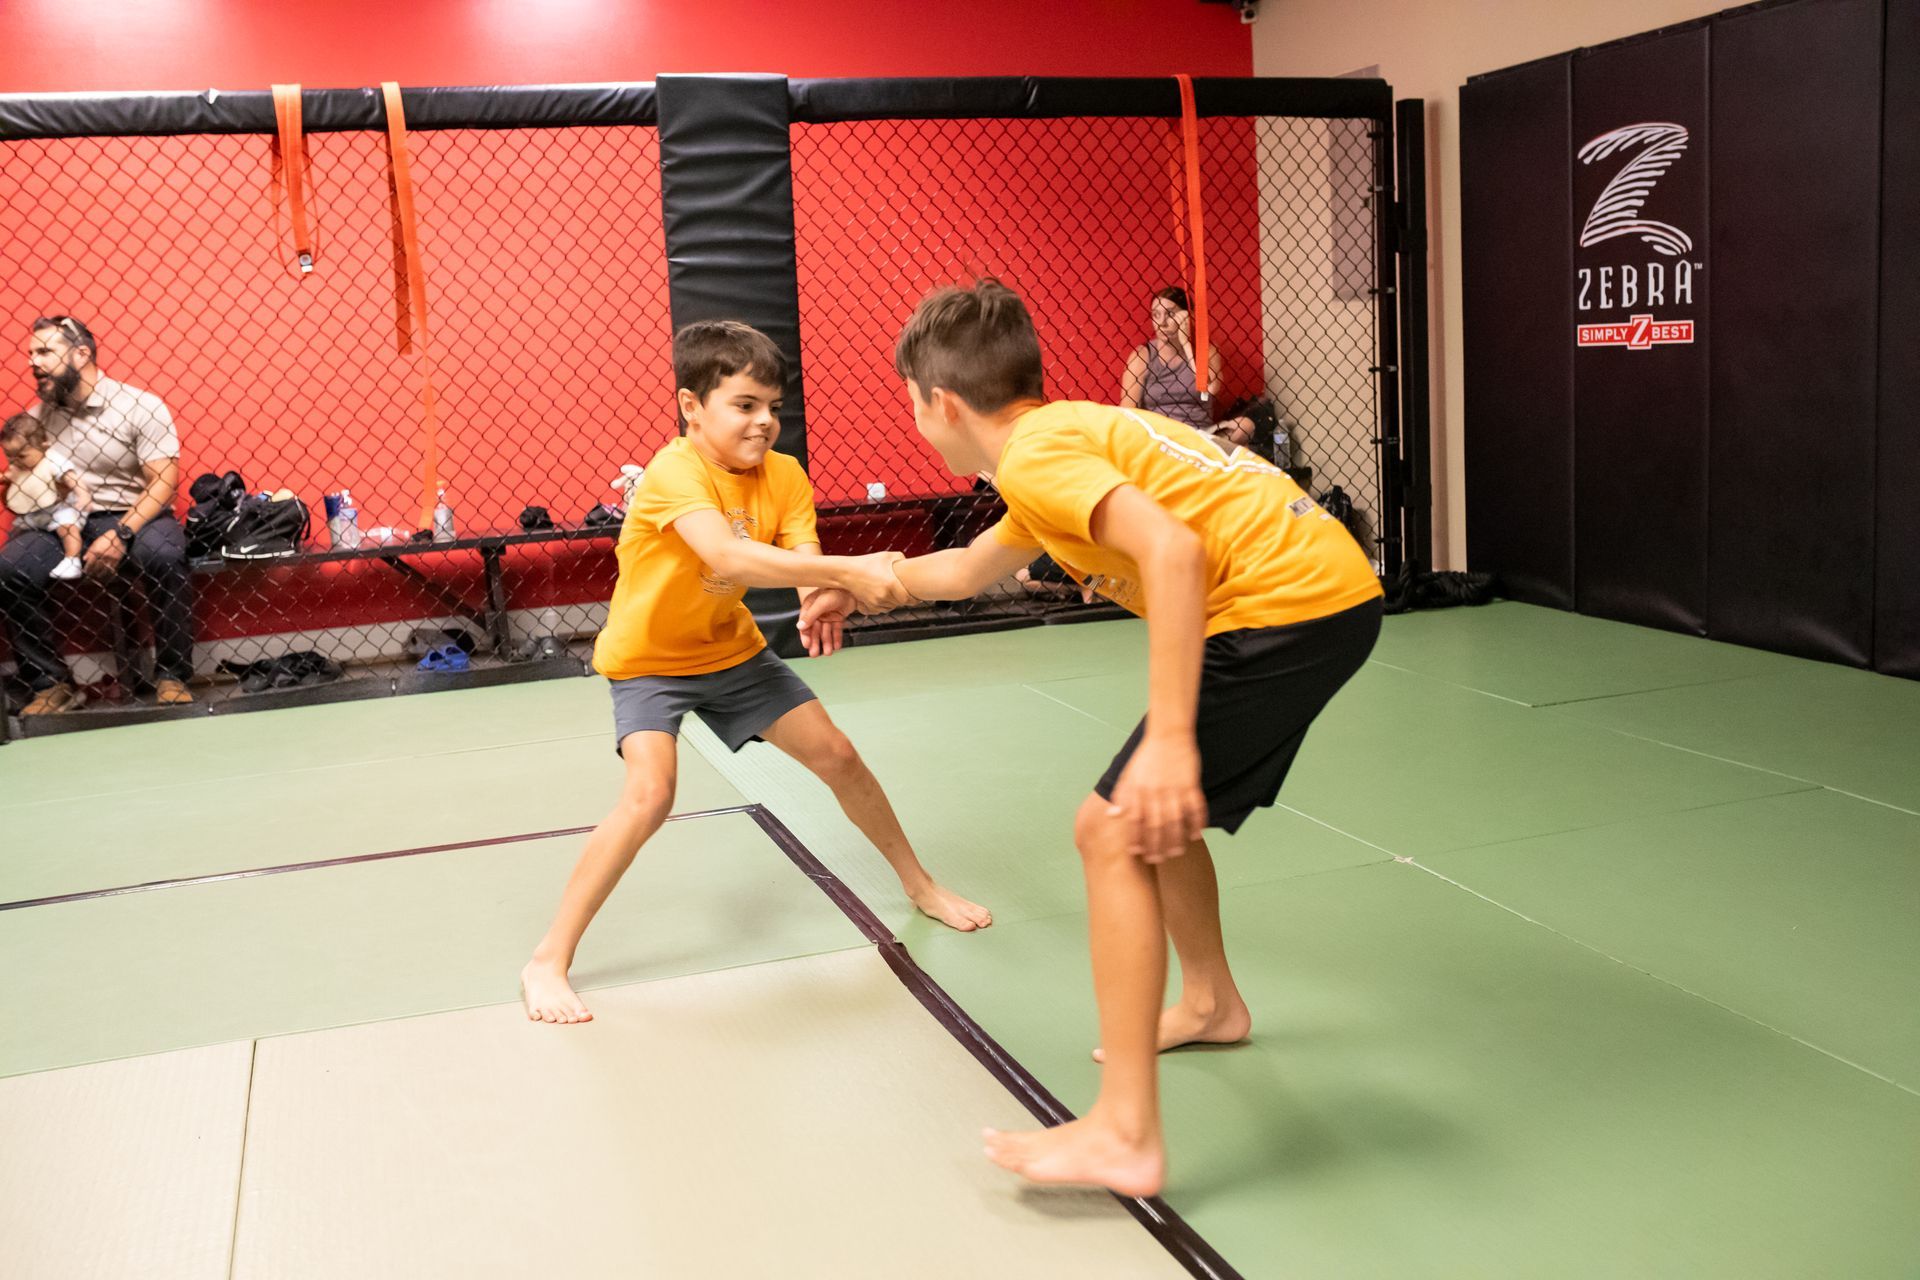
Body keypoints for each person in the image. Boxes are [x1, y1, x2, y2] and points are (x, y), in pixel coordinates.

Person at [829, 280, 1383, 1197]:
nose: (915, 420)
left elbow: (1173, 552)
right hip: (1320, 591)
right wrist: (857, 579)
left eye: (910, 403)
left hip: (1285, 606)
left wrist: (1169, 741)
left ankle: (1125, 1132)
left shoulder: (1037, 458)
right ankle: (1210, 1001)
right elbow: (966, 570)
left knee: (1111, 828)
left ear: (942, 403)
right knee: (1153, 820)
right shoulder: (1059, 441)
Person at [519, 320, 992, 1026]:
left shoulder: (786, 474)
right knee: (650, 795)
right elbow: (729, 557)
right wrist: (855, 572)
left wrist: (823, 594)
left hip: (732, 652)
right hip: (649, 664)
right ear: (692, 406)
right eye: (744, 405)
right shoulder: (674, 472)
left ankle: (920, 885)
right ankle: (547, 960)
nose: (764, 421)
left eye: (773, 406)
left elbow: (802, 560)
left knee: (839, 755)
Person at [0, 316, 194, 713]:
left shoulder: (139, 405)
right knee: (10, 568)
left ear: (81, 354)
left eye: (45, 352)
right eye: (31, 353)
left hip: (133, 513)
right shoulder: (36, 420)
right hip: (61, 520)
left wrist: (121, 533)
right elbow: (33, 487)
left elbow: (163, 484)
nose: (33, 362)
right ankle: (52, 684)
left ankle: (172, 675)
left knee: (166, 555)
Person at [1119, 286, 1258, 449]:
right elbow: (1127, 412)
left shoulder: (1206, 351)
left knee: (1246, 426)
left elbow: (1211, 388)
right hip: (1159, 436)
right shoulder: (1142, 355)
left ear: (1188, 316)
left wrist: (1185, 343)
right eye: (1156, 315)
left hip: (1200, 436)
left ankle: (1196, 451)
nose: (1162, 323)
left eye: (1170, 314)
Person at [2, 414, 92, 582]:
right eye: (9, 455)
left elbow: (71, 478)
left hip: (60, 508)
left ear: (44, 446)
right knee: (17, 532)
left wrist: (83, 494)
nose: (15, 461)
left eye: (21, 456)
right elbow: (9, 477)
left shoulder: (52, 460)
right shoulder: (19, 466)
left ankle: (72, 560)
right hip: (35, 512)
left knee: (68, 528)